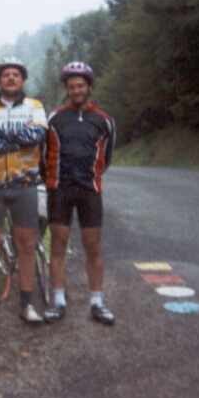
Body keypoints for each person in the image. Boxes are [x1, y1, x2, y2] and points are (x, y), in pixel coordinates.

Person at [0, 57, 48, 324]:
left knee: (27, 245)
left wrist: (2, 137)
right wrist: (17, 140)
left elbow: (37, 136)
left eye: (16, 74)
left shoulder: (35, 106)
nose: (11, 78)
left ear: (23, 79)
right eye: (6, 74)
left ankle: (27, 304)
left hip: (24, 184)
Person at [43, 61, 116, 325]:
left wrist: (91, 176)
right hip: (60, 190)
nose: (76, 90)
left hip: (89, 191)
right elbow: (44, 157)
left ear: (89, 87)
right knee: (59, 245)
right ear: (67, 88)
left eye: (80, 85)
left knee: (93, 246)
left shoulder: (104, 120)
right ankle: (58, 301)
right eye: (71, 86)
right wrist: (51, 181)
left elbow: (106, 159)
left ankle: (97, 302)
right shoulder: (54, 118)